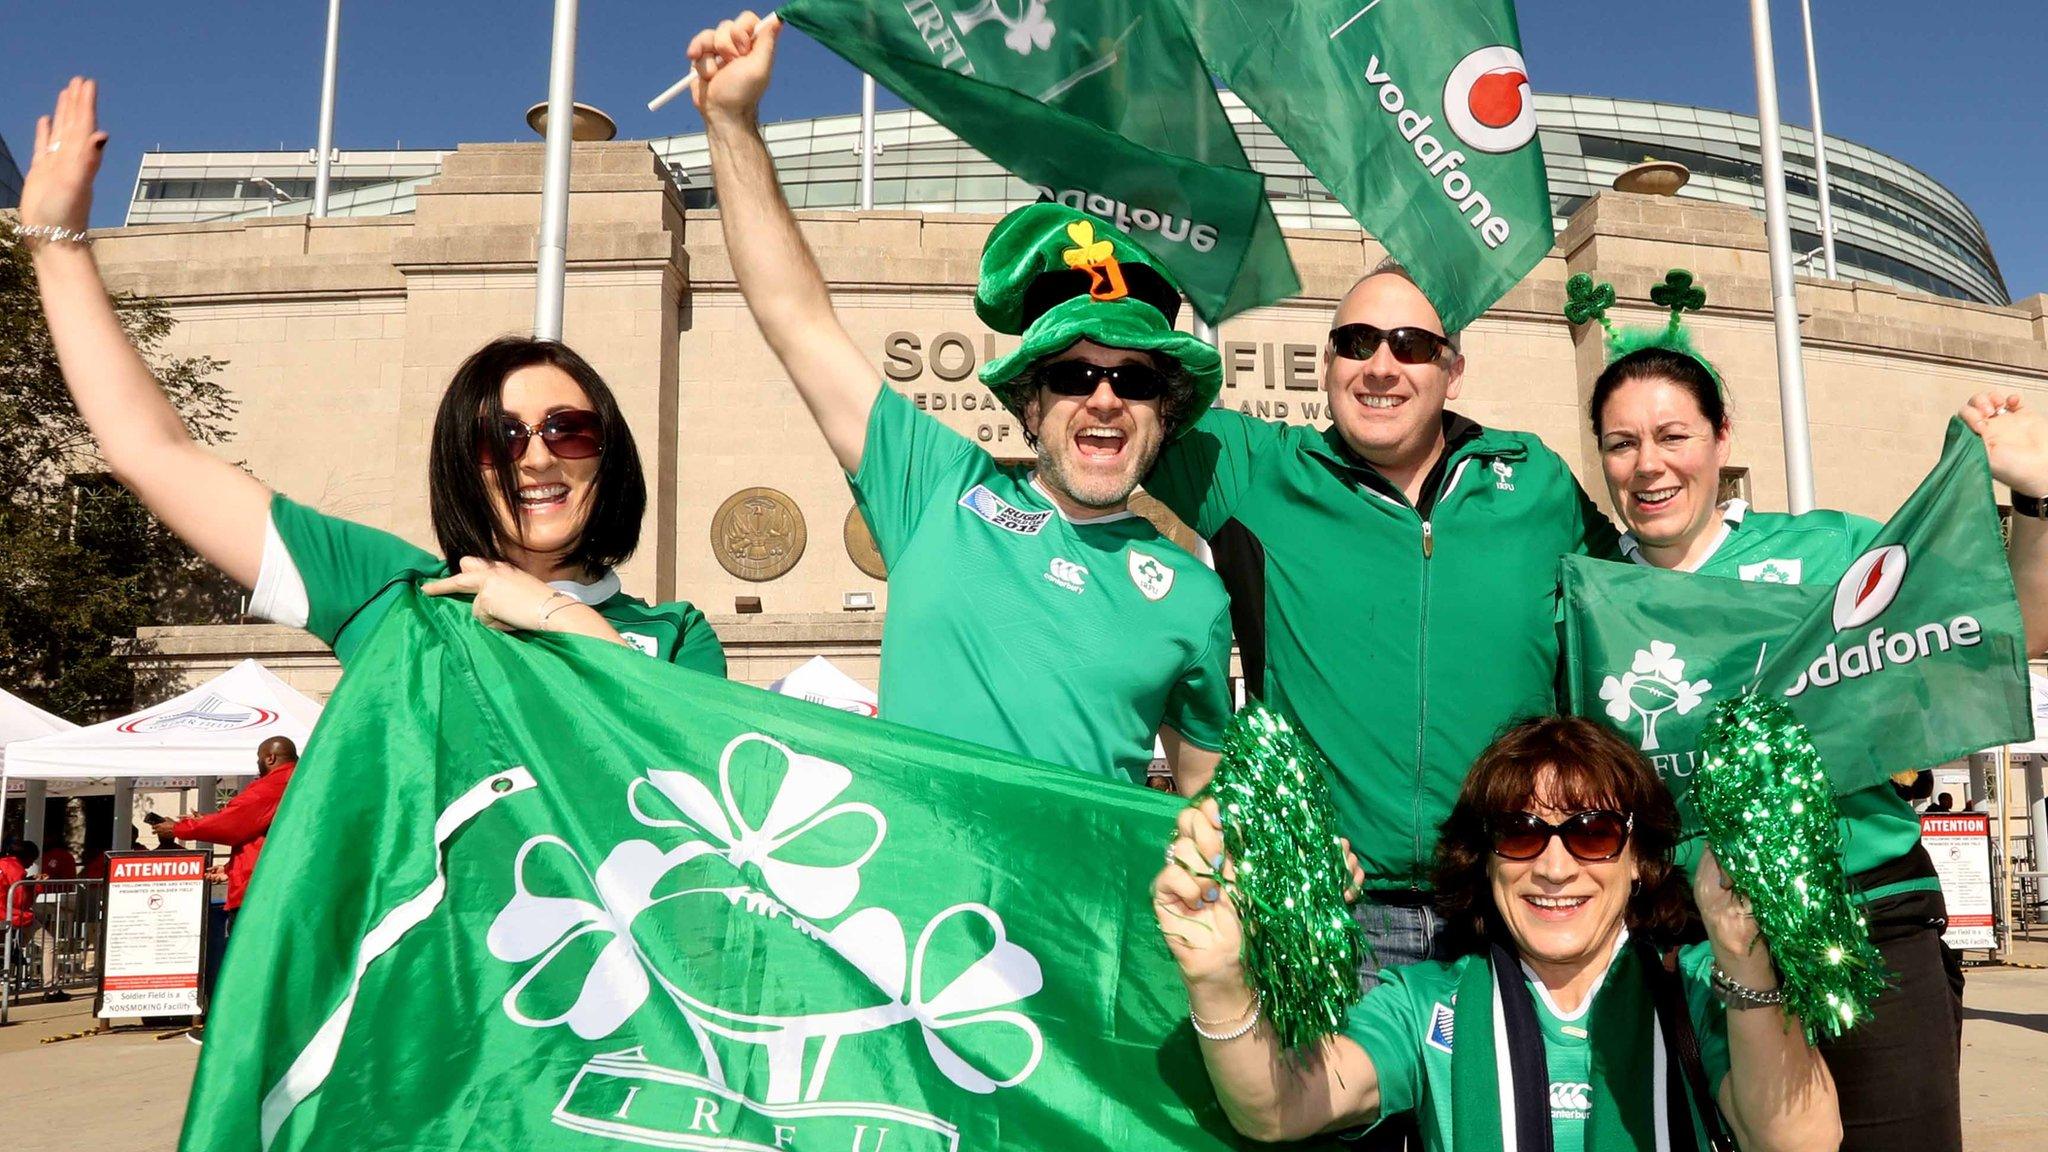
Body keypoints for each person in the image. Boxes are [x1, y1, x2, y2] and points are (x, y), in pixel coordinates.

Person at [685, 14, 1233, 791]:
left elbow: (1208, 821)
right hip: (913, 908)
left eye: (1134, 380)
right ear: (1031, 404)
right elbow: (797, 321)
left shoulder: (1195, 597)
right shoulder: (935, 488)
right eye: (1075, 377)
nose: (1105, 399)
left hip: (1077, 912)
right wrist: (733, 123)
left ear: (1165, 410)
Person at [16, 79, 724, 676]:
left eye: (568, 430)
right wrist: (58, 245)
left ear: (610, 453)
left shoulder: (677, 635)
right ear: (460, 463)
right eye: (498, 438)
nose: (536, 457)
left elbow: (691, 761)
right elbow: (154, 454)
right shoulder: (392, 595)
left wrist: (552, 614)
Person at [1585, 333, 2048, 1152]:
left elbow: (2009, 631)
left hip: (1865, 917)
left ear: (1722, 435)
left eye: (1672, 436)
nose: (1648, 465)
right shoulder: (1587, 593)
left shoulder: (1828, 551)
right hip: (1689, 946)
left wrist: (2038, 503)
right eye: (1622, 444)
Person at [1142, 258, 1620, 967]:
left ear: (1453, 371)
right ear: (1328, 363)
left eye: (1412, 345)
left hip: (1515, 903)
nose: (1382, 366)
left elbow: (1643, 599)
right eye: (1357, 343)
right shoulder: (1255, 472)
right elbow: (1116, 401)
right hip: (1333, 911)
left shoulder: (1537, 483)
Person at [1154, 716, 1841, 1151]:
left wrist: (1746, 956)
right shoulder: (1425, 1003)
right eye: (1519, 834)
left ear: (1642, 861)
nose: (1553, 865)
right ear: (1482, 860)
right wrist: (1218, 978)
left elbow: (1801, 1142)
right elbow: (1278, 1109)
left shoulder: (1699, 987)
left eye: (1593, 833)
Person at [151, 736, 299, 930]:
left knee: (249, 955)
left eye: (258, 758)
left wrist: (178, 828)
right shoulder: (299, 781)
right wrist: (229, 868)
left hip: (260, 893)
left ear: (269, 758)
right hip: (276, 884)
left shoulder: (274, 784)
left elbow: (234, 824)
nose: (257, 763)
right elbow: (260, 833)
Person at [1, 840, 66, 1001]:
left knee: (13, 947)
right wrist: (36, 886)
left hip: (6, 914)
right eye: (32, 860)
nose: (31, 864)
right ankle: (51, 988)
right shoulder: (16, 869)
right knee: (49, 944)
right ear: (26, 856)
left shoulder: (3, 864)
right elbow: (20, 900)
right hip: (12, 915)